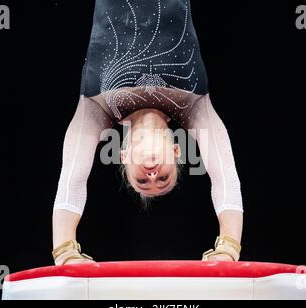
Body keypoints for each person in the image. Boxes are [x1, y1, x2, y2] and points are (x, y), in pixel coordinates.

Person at [51, 0, 244, 266]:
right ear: (177, 150)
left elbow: (72, 180)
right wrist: (228, 249)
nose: (152, 175)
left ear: (124, 156)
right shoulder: (195, 108)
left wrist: (65, 252)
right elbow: (226, 177)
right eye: (163, 177)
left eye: (142, 181)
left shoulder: (96, 111)